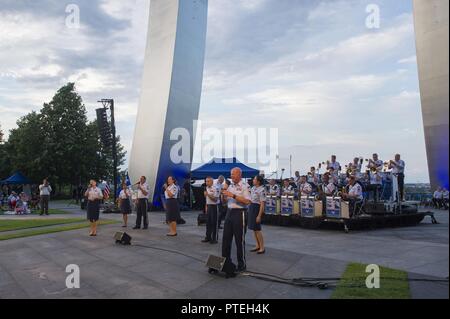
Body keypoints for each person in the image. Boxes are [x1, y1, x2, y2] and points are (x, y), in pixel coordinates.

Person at [221, 167, 252, 273]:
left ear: (239, 175)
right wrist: (223, 193)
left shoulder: (245, 186)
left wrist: (233, 195)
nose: (232, 176)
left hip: (240, 213)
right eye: (231, 174)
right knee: (226, 239)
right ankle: (225, 261)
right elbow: (224, 201)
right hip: (229, 213)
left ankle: (241, 264)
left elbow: (247, 201)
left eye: (233, 174)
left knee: (239, 240)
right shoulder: (229, 185)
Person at [248, 175, 266, 255]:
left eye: (254, 179)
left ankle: (262, 247)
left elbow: (262, 204)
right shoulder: (253, 188)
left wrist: (259, 215)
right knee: (254, 229)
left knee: (258, 229)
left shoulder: (262, 189)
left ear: (258, 181)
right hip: (252, 207)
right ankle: (257, 245)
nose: (253, 180)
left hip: (257, 208)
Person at [202, 177, 220, 244]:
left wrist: (208, 194)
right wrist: (206, 206)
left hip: (214, 206)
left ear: (212, 182)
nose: (207, 183)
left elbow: (215, 199)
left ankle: (214, 238)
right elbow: (206, 199)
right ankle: (208, 237)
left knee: (214, 223)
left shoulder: (216, 188)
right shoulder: (206, 188)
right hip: (209, 206)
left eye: (208, 181)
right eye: (206, 181)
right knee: (208, 222)